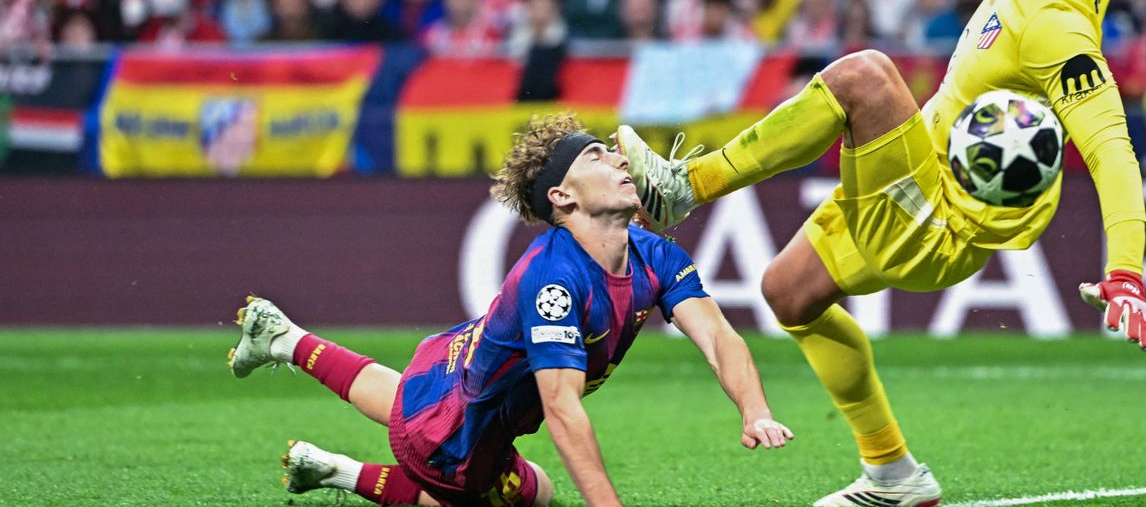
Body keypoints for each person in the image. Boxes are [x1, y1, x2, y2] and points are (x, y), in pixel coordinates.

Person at [615, 0, 1146, 505]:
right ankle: (893, 475)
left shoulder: (1055, 21)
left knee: (865, 76)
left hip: (941, 216)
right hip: (920, 179)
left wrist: (1127, 269)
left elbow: (1108, 145)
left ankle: (686, 186)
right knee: (787, 294)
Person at [228, 114, 793, 507]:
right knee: (533, 496)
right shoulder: (554, 281)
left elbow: (718, 337)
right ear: (562, 198)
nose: (622, 159)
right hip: (454, 437)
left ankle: (286, 339)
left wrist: (754, 409)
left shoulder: (653, 253)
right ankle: (342, 472)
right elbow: (562, 408)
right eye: (597, 156)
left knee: (417, 405)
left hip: (449, 371)